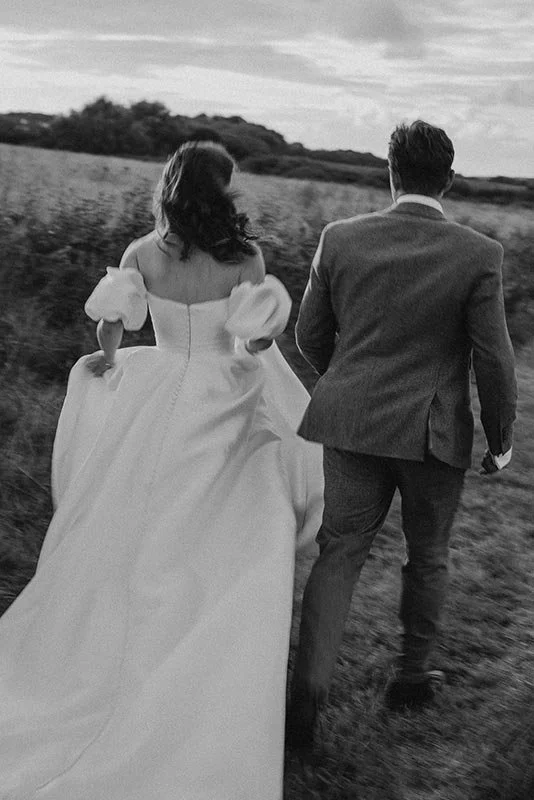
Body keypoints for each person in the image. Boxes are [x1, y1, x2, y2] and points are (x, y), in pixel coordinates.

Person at [0, 141, 323, 799]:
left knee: (136, 513)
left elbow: (112, 332)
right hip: (225, 392)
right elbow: (256, 344)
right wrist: (262, 320)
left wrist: (106, 360)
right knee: (229, 521)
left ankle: (120, 637)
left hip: (157, 392)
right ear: (222, 193)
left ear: (171, 189)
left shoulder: (141, 255)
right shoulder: (245, 258)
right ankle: (203, 633)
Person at [286, 120, 517, 750]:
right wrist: (500, 438)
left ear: (390, 173)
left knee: (339, 551)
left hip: (352, 424)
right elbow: (493, 358)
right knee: (429, 554)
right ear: (448, 179)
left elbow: (310, 334)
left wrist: (351, 382)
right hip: (432, 435)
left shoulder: (339, 238)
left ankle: (305, 700)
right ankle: (413, 676)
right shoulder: (479, 253)